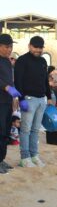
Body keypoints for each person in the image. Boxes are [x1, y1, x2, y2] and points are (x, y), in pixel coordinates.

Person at [14, 35, 52, 168]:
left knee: (36, 130)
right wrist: (21, 99)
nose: (38, 50)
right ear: (29, 46)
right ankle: (25, 158)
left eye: (40, 48)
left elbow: (45, 80)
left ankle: (34, 155)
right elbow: (17, 81)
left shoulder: (43, 61)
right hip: (28, 99)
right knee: (25, 129)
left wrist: (50, 97)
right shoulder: (22, 60)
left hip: (42, 99)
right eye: (35, 47)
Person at [0, 34, 21, 173]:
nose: (9, 49)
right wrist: (5, 87)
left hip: (8, 102)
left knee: (6, 132)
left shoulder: (7, 61)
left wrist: (15, 98)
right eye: (7, 46)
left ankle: (1, 159)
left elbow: (10, 81)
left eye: (11, 47)